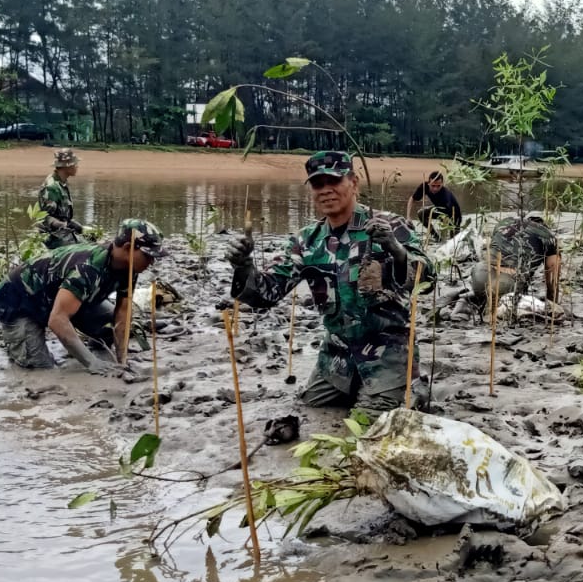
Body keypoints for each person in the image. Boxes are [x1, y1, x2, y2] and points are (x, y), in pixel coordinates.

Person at [227, 151, 427, 412]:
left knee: (370, 420)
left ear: (353, 183)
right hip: (337, 355)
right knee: (307, 409)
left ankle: (411, 387)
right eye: (318, 184)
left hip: (387, 353)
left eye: (334, 182)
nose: (326, 191)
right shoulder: (307, 241)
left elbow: (429, 277)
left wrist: (396, 249)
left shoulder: (388, 225)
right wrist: (243, 266)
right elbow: (267, 294)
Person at [0, 218, 161, 372]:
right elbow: (57, 320)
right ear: (128, 248)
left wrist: (122, 360)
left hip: (59, 299)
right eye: (148, 256)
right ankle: (14, 339)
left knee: (108, 322)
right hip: (19, 303)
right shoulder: (87, 268)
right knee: (40, 368)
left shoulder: (129, 267)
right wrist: (91, 363)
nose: (151, 262)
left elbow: (122, 314)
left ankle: (92, 346)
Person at [470, 215, 561, 305]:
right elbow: (553, 279)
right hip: (507, 283)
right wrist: (553, 304)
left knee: (483, 302)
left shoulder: (504, 222)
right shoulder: (548, 236)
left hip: (480, 274)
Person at [36, 149, 82, 248]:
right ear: (67, 166)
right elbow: (44, 217)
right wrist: (61, 225)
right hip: (52, 237)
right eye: (75, 164)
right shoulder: (52, 187)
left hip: (62, 233)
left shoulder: (61, 183)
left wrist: (72, 224)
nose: (77, 166)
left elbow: (61, 213)